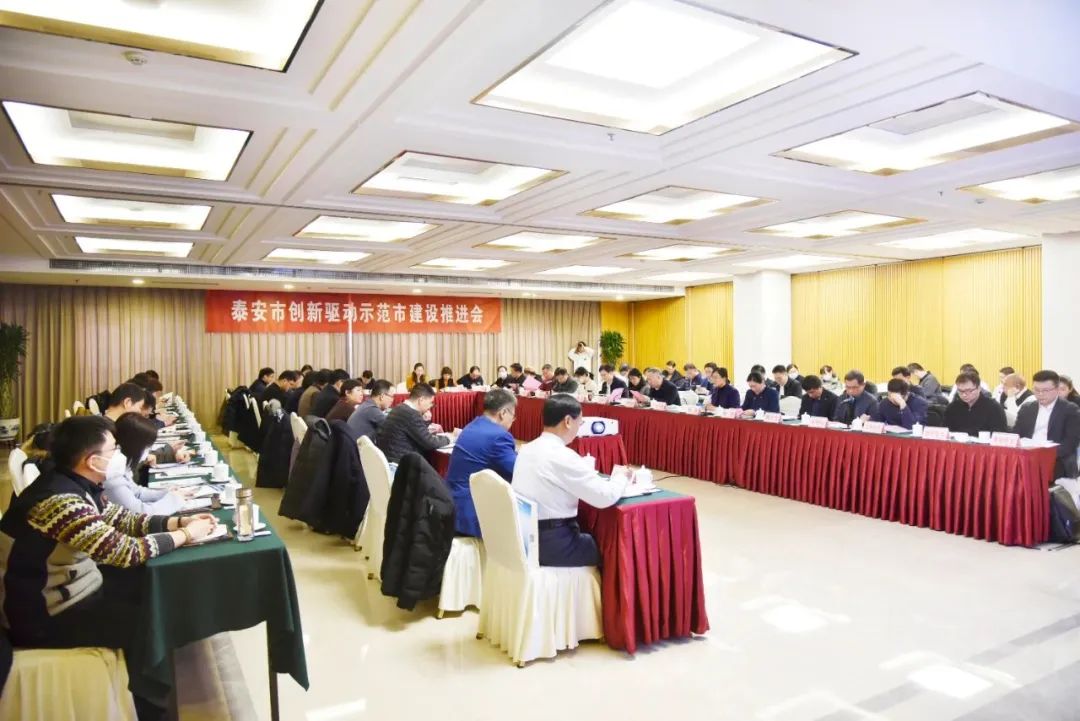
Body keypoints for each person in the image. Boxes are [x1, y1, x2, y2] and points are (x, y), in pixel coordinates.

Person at [0, 416, 217, 717]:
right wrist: (186, 535)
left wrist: (178, 522)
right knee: (149, 625)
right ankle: (150, 709)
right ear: (92, 460)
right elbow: (125, 551)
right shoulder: (59, 501)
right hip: (43, 615)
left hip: (76, 587)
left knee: (152, 591)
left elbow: (123, 519)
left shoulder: (75, 482)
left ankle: (148, 694)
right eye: (114, 449)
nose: (119, 454)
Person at [512, 395, 626, 566]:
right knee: (612, 550)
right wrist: (620, 478)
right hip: (553, 543)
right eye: (580, 423)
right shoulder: (562, 456)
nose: (579, 428)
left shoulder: (527, 448)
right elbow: (605, 497)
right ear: (567, 421)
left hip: (524, 535)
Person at [444, 389, 518, 537]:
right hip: (471, 512)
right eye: (513, 415)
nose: (513, 420)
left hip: (451, 502)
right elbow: (517, 471)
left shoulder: (473, 425)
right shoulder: (499, 436)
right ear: (503, 413)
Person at [106, 412, 190, 515]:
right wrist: (174, 501)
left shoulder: (124, 464)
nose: (148, 452)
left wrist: (166, 493)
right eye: (147, 447)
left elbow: (137, 492)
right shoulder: (112, 474)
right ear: (134, 446)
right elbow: (139, 513)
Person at [1015, 370, 1080, 479]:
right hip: (1027, 457)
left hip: (1057, 460)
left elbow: (1071, 442)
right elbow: (1016, 434)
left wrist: (1044, 455)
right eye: (1036, 390)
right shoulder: (1027, 408)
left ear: (1057, 389)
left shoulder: (1070, 410)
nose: (1040, 394)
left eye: (1045, 390)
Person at [376, 383, 455, 463]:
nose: (430, 406)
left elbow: (417, 432)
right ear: (421, 400)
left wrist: (425, 421)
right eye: (431, 402)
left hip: (388, 459)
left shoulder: (399, 407)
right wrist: (450, 437)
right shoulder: (411, 414)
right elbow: (429, 442)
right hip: (400, 464)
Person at [944, 371, 1006, 435]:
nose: (964, 395)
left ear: (979, 388)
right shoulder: (952, 408)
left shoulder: (993, 407)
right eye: (960, 391)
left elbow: (1000, 434)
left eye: (969, 391)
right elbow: (945, 432)